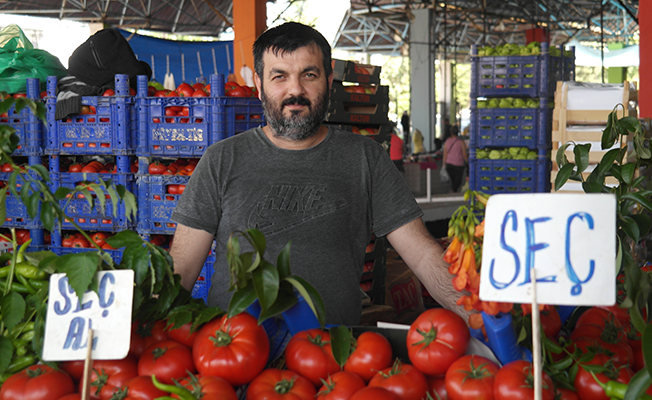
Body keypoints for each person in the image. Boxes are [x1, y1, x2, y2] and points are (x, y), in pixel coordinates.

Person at [169, 22, 472, 326]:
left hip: (332, 358)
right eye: (280, 76)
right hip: (234, 352)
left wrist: (476, 320)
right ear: (259, 85)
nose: (296, 90)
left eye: (309, 75)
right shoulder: (222, 159)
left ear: (328, 81)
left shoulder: (365, 158)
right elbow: (181, 267)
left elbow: (421, 254)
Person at [442, 125, 468, 192]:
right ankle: (453, 191)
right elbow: (464, 154)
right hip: (458, 165)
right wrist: (467, 162)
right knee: (458, 181)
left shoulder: (447, 141)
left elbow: (445, 154)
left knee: (453, 180)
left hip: (449, 164)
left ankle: (453, 191)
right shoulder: (461, 142)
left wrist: (444, 164)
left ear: (451, 132)